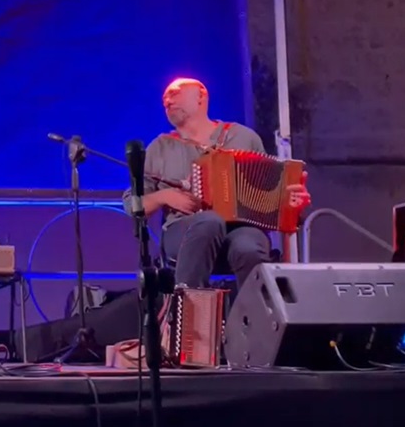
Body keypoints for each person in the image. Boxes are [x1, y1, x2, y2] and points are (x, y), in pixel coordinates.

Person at [123, 78, 312, 288]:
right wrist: (164, 196)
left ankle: (256, 307)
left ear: (201, 96)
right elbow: (133, 205)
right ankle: (189, 305)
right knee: (209, 221)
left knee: (248, 249)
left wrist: (291, 204)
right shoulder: (160, 148)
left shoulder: (243, 137)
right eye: (164, 99)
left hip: (241, 228)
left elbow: (270, 192)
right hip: (184, 229)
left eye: (174, 93)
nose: (167, 101)